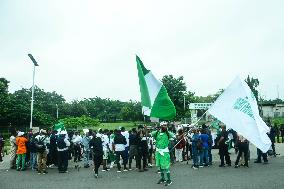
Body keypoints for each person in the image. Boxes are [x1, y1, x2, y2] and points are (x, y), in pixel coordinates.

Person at [151, 122, 175, 186]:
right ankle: (163, 178)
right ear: (161, 126)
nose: (165, 126)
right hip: (158, 152)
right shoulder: (156, 133)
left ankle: (169, 180)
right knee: (160, 167)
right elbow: (150, 134)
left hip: (165, 152)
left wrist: (181, 135)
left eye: (166, 125)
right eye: (164, 125)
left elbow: (175, 136)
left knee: (166, 167)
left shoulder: (168, 133)